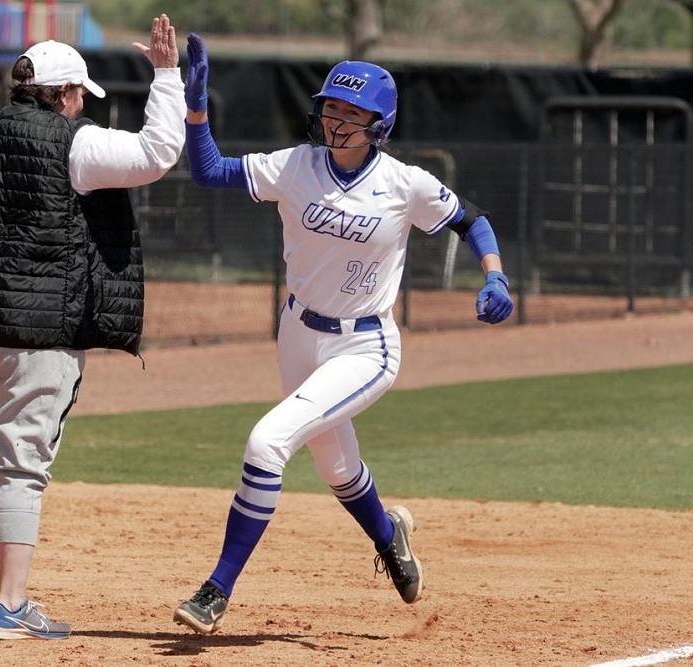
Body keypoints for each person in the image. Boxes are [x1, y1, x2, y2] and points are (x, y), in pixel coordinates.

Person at [172, 34, 514, 635]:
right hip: (297, 333)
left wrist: (496, 275)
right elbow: (208, 171)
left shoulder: (405, 184)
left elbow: (471, 220)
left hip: (366, 346)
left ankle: (215, 590)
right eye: (331, 108)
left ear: (380, 125)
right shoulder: (297, 166)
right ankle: (391, 538)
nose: (336, 121)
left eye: (351, 114)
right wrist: (195, 106)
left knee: (267, 441)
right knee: (335, 467)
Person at [0, 15, 185, 640]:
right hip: (34, 337)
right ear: (62, 95)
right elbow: (157, 153)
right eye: (79, 95)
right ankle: (9, 606)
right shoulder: (75, 143)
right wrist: (167, 76)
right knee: (21, 467)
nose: (82, 105)